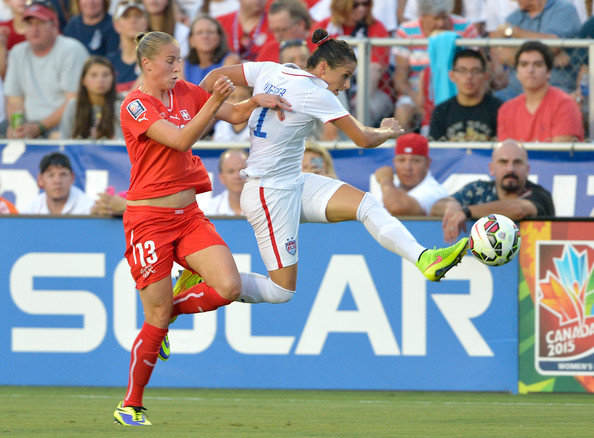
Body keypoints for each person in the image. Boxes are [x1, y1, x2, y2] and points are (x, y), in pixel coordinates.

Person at [196, 29, 469, 314]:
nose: (347, 85)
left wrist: (229, 107)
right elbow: (363, 138)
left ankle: (424, 258)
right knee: (281, 291)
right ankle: (205, 279)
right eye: (346, 75)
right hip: (269, 193)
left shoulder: (271, 71)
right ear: (324, 68)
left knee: (365, 204)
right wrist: (387, 131)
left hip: (291, 182)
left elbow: (210, 80)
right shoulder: (315, 92)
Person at [112, 30, 291, 426]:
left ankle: (169, 313)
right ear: (147, 65)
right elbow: (180, 140)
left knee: (226, 287)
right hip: (148, 222)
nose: (178, 67)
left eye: (179, 60)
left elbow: (236, 114)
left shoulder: (189, 93)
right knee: (153, 316)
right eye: (170, 60)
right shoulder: (135, 106)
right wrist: (214, 100)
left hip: (188, 215)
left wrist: (254, 101)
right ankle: (131, 404)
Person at [430, 139, 555, 243]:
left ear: (527, 170)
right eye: (503, 162)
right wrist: (451, 204)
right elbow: (435, 207)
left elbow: (518, 209)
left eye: (517, 163)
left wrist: (467, 211)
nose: (510, 169)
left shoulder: (540, 195)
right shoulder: (478, 189)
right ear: (491, 168)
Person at [4, 0, 88, 138]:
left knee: (57, 136)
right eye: (30, 24)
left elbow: (73, 102)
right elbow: (14, 100)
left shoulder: (71, 50)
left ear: (54, 24)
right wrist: (17, 127)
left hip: (63, 125)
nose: (34, 29)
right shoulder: (17, 53)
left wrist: (39, 128)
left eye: (40, 23)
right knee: (9, 133)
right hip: (28, 124)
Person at [393, 0, 479, 132]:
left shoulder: (465, 27)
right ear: (423, 15)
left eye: (444, 17)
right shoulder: (406, 31)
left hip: (458, 90)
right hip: (416, 91)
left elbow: (480, 62)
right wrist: (418, 99)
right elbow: (400, 78)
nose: (441, 23)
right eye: (435, 18)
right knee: (403, 114)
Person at [315, 0, 393, 126]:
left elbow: (377, 68)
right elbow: (317, 66)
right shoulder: (323, 27)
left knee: (365, 108)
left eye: (366, 4)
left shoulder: (376, 27)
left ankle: (356, 130)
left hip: (373, 91)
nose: (362, 9)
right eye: (356, 5)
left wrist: (358, 103)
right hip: (333, 89)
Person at [489, 0, 581, 100]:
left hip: (555, 87)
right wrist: (549, 58)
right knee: (494, 103)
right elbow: (503, 56)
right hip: (515, 89)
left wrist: (514, 31)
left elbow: (552, 46)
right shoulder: (514, 17)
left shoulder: (564, 9)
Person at [497, 41, 584, 143]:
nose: (530, 70)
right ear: (517, 73)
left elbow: (560, 156)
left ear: (548, 72)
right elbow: (504, 154)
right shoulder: (506, 110)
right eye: (524, 64)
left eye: (537, 65)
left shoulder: (565, 105)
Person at [429, 49, 502, 142]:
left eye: (475, 71)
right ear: (452, 76)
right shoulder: (441, 111)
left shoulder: (499, 110)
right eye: (462, 70)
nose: (469, 76)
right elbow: (436, 152)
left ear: (485, 76)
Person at [373, 133, 447, 216]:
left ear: (427, 164)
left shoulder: (435, 191)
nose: (407, 167)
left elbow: (397, 207)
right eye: (401, 160)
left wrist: (385, 181)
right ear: (394, 162)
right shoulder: (391, 188)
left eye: (415, 160)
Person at [59, 55, 124, 139]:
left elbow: (122, 143)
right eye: (94, 75)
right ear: (84, 80)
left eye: (105, 75)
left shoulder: (122, 105)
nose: (100, 80)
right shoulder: (74, 105)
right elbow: (64, 141)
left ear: (113, 79)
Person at [21, 151, 95, 214]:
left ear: (72, 178)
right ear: (40, 180)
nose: (57, 181)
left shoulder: (88, 208)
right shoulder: (31, 210)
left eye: (63, 174)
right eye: (51, 175)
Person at [183, 14, 240, 86]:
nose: (205, 36)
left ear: (219, 37)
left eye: (210, 32)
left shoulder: (231, 60)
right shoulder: (183, 64)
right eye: (199, 32)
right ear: (191, 40)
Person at [107, 0, 149, 97]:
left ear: (146, 23)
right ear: (116, 25)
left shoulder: (155, 59)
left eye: (138, 16)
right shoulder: (109, 62)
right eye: (126, 16)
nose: (133, 20)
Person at [203, 148, 248, 216]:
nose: (237, 176)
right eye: (231, 171)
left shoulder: (267, 208)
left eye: (242, 171)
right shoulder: (208, 212)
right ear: (221, 178)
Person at [0, 0, 27, 77]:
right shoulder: (2, 29)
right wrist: (2, 48)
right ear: (7, 1)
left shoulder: (43, 28)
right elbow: (1, 76)